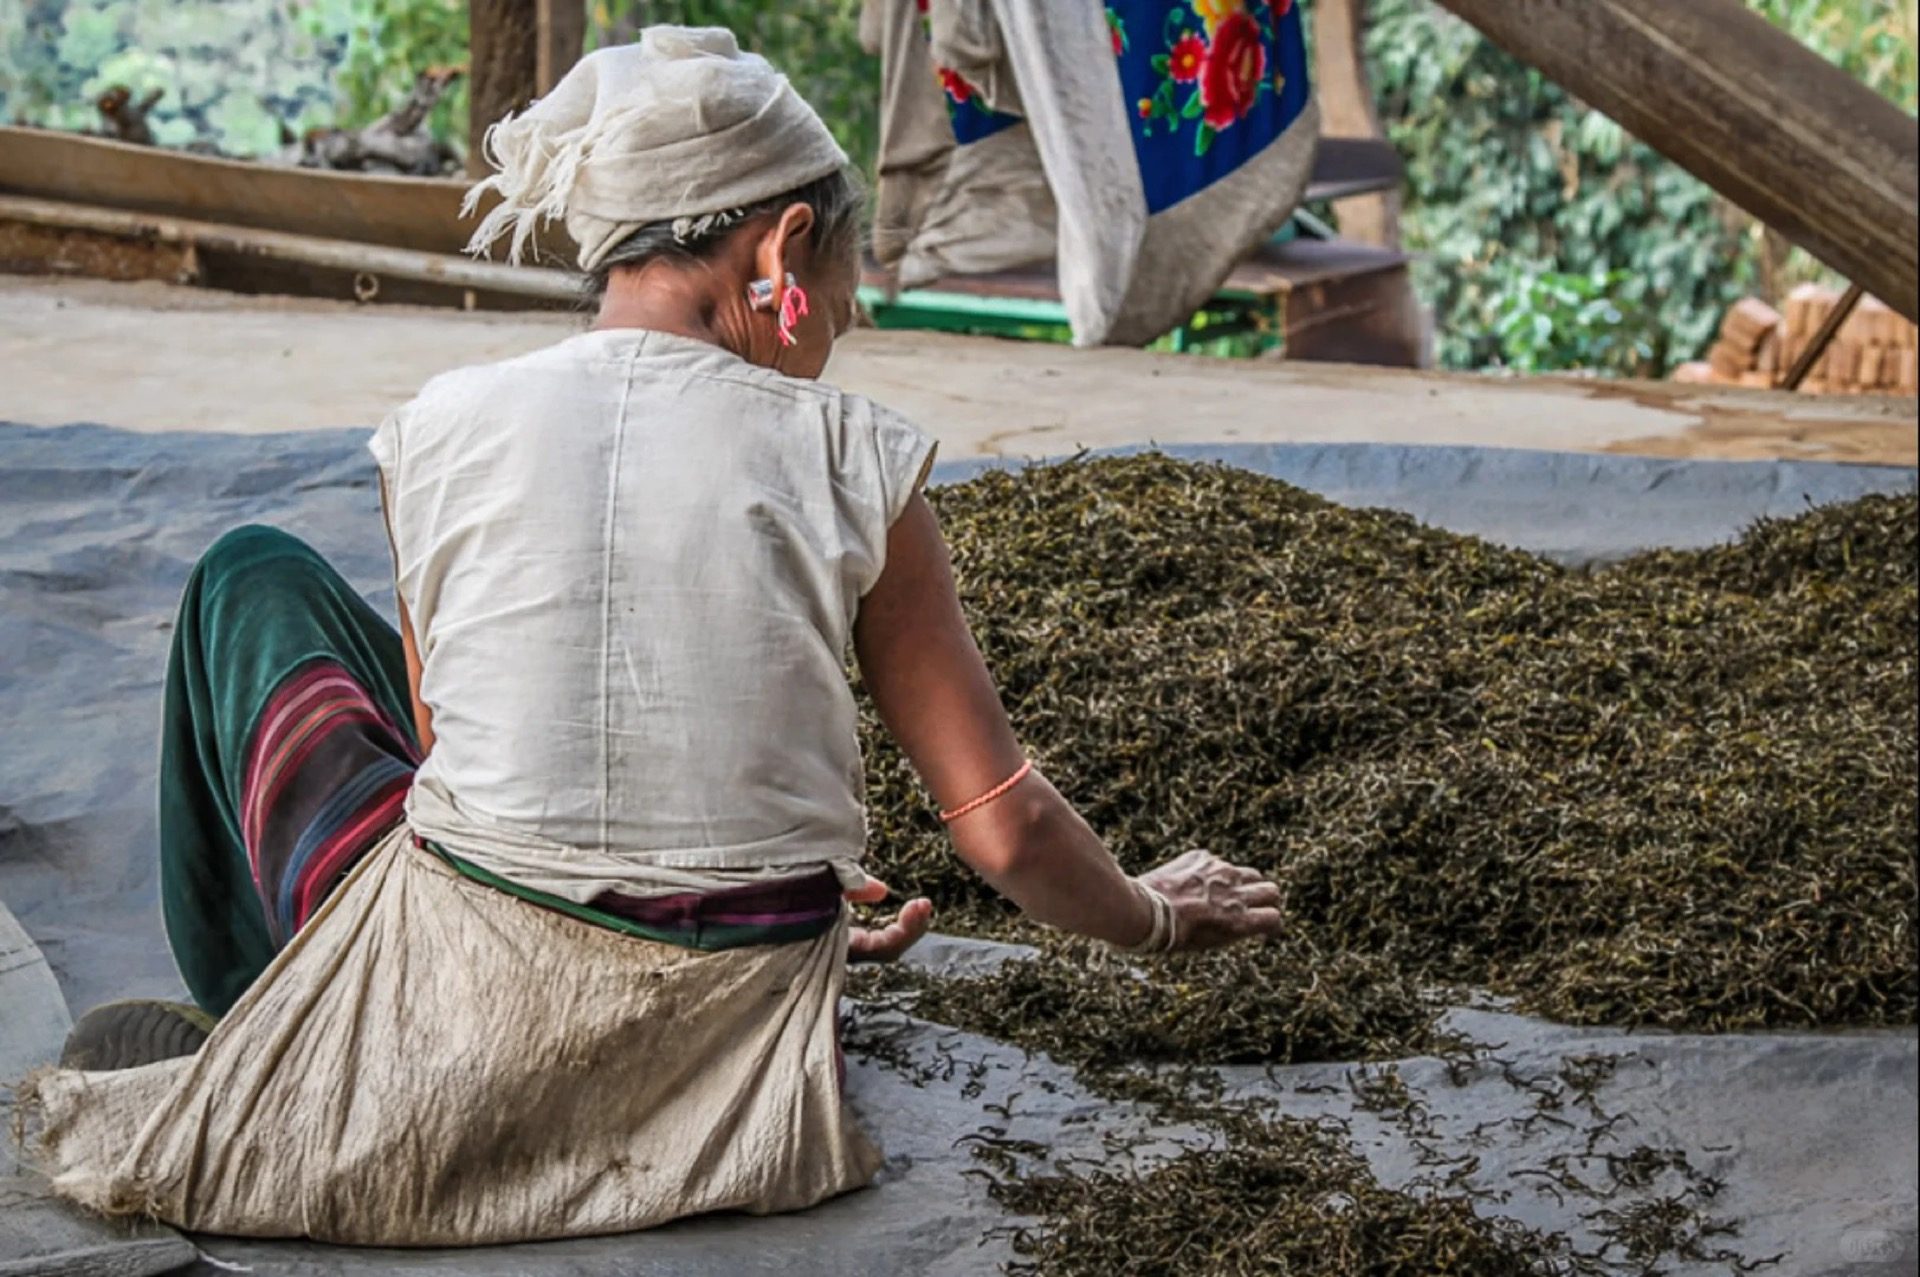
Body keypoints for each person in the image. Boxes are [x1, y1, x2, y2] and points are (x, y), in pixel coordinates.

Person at [33, 28, 1281, 1245]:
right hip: (737, 1036)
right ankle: (315, 1006)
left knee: (254, 578)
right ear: (783, 246)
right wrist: (1152, 915)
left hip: (461, 996)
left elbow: (452, 764)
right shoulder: (859, 459)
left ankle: (270, 1012)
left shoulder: (436, 429)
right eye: (841, 299)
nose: (835, 334)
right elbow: (1004, 826)